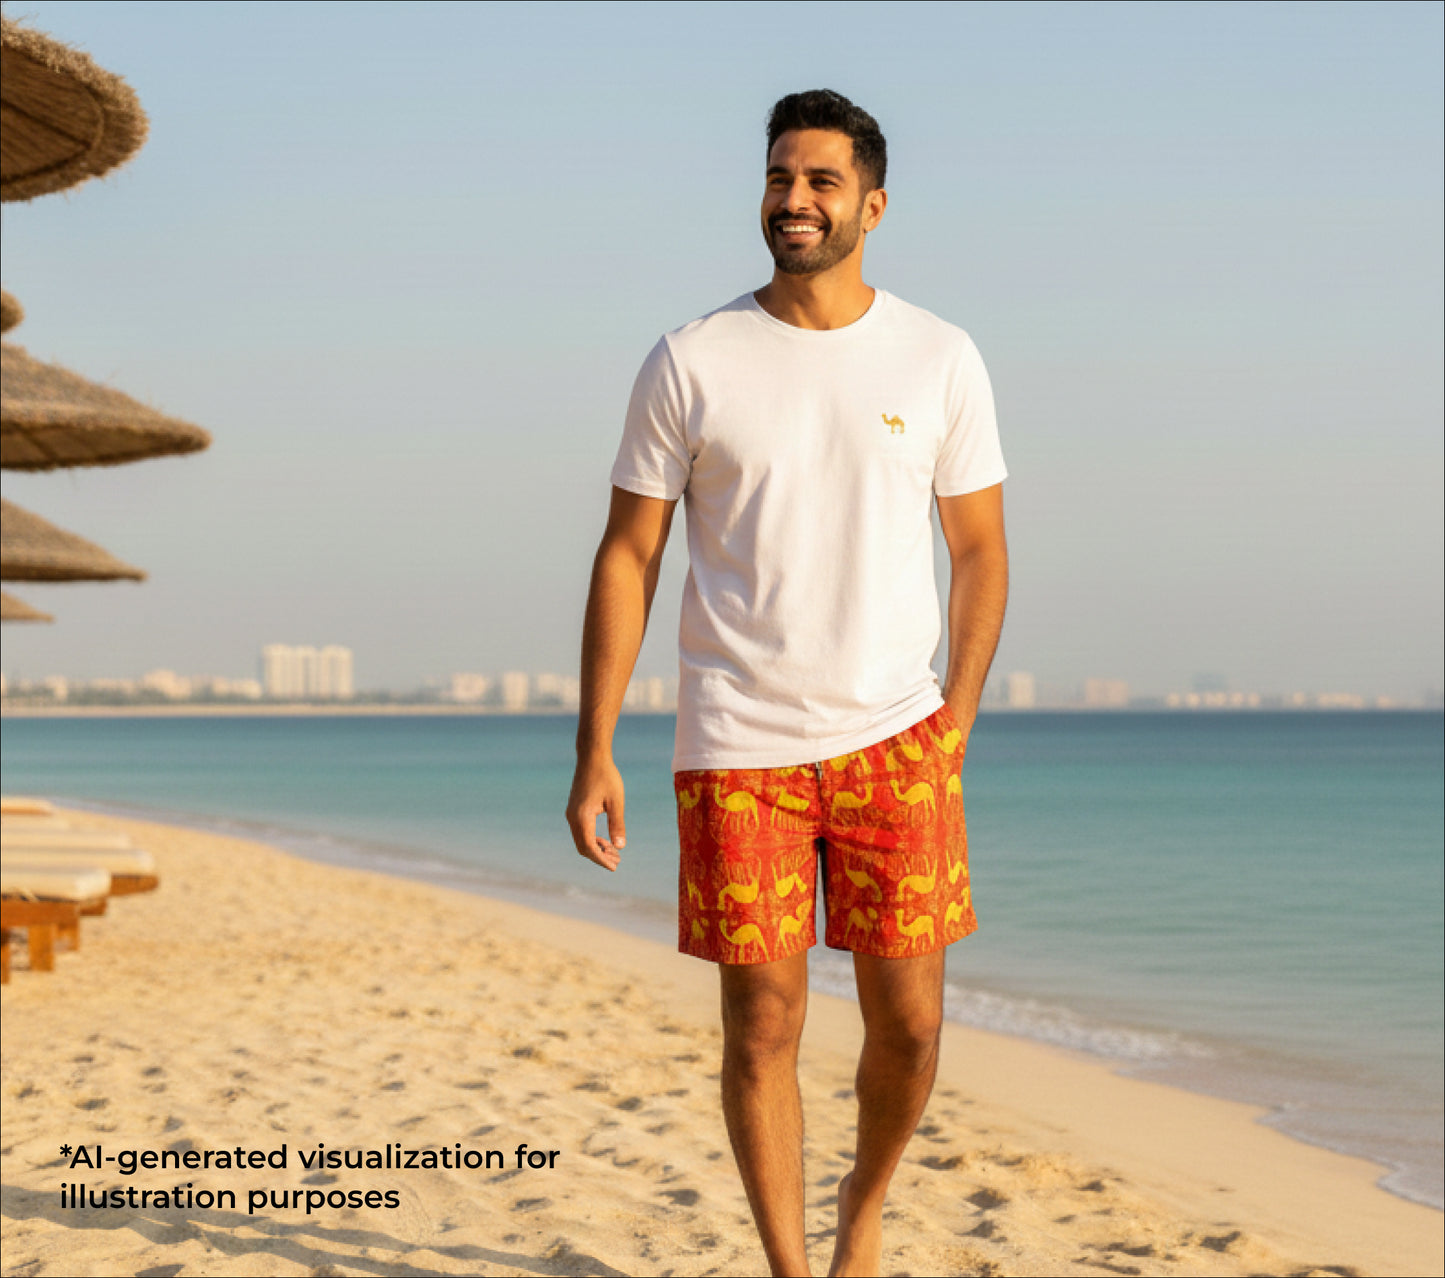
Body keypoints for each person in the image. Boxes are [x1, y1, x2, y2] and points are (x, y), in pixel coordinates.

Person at [565, 88, 1009, 1278]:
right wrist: (594, 745)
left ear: (871, 204)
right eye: (777, 177)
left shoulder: (938, 354)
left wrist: (952, 721)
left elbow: (978, 551)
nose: (792, 200)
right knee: (761, 1026)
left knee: (908, 1027)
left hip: (896, 741)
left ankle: (861, 1211)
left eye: (817, 181)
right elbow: (628, 554)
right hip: (735, 746)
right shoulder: (691, 359)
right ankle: (789, 1267)